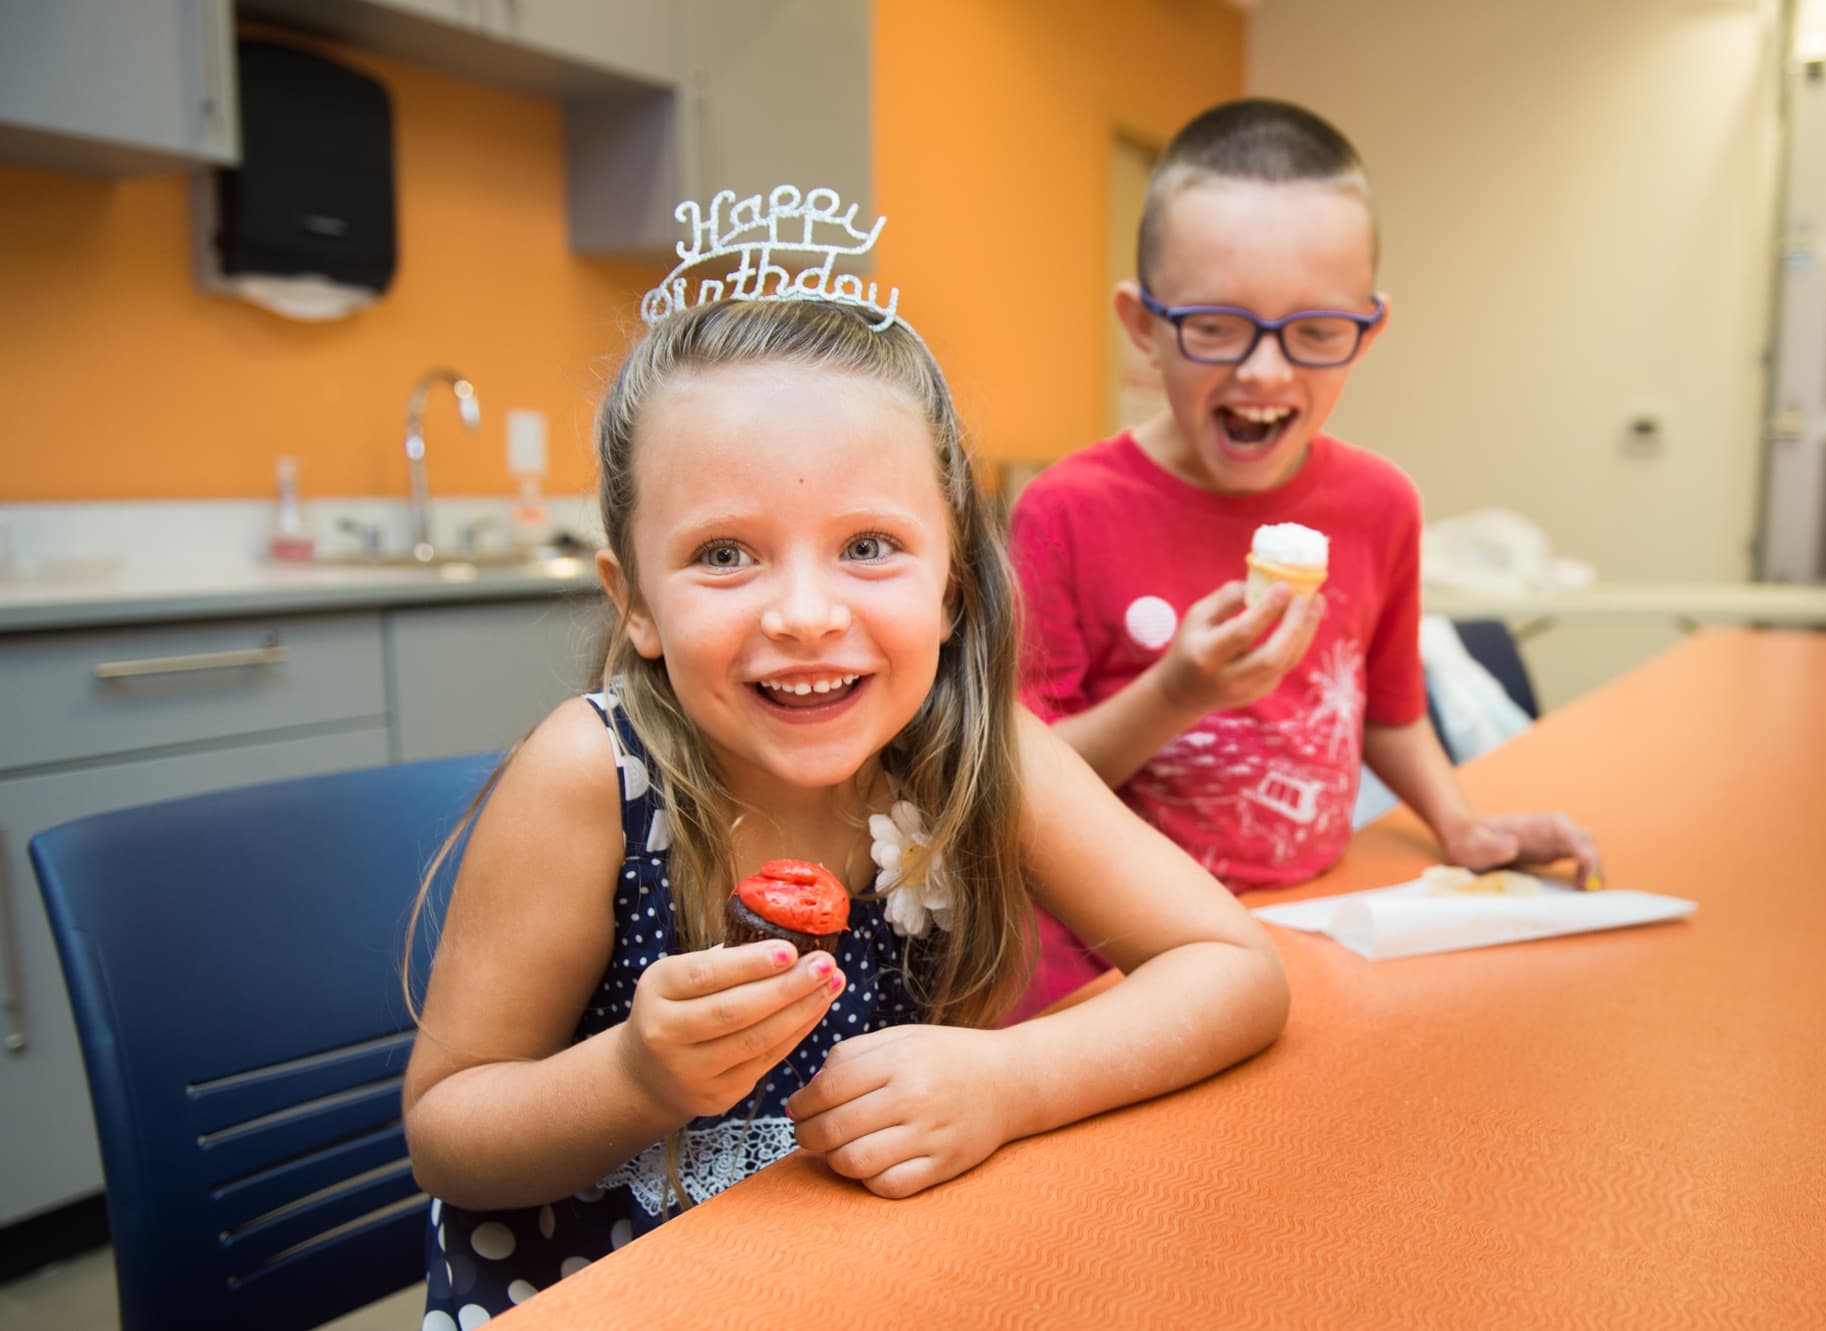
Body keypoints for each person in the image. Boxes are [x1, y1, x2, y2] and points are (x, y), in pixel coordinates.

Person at [401, 275, 1289, 1321]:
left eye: (867, 546)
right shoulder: (589, 775)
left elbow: (1233, 968)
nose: (806, 613)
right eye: (723, 554)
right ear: (633, 599)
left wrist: (1011, 1080)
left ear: (952, 584)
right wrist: (636, 1077)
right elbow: (447, 1132)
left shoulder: (977, 747)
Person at [1008, 98, 1601, 1009]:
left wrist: (1460, 822)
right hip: (1118, 956)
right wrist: (1176, 694)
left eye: (1317, 332)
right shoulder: (1065, 512)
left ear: (1371, 325)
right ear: (1142, 321)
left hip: (1319, 920)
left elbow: (1392, 714)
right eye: (1215, 325)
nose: (1265, 373)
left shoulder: (1380, 506)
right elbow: (1020, 785)